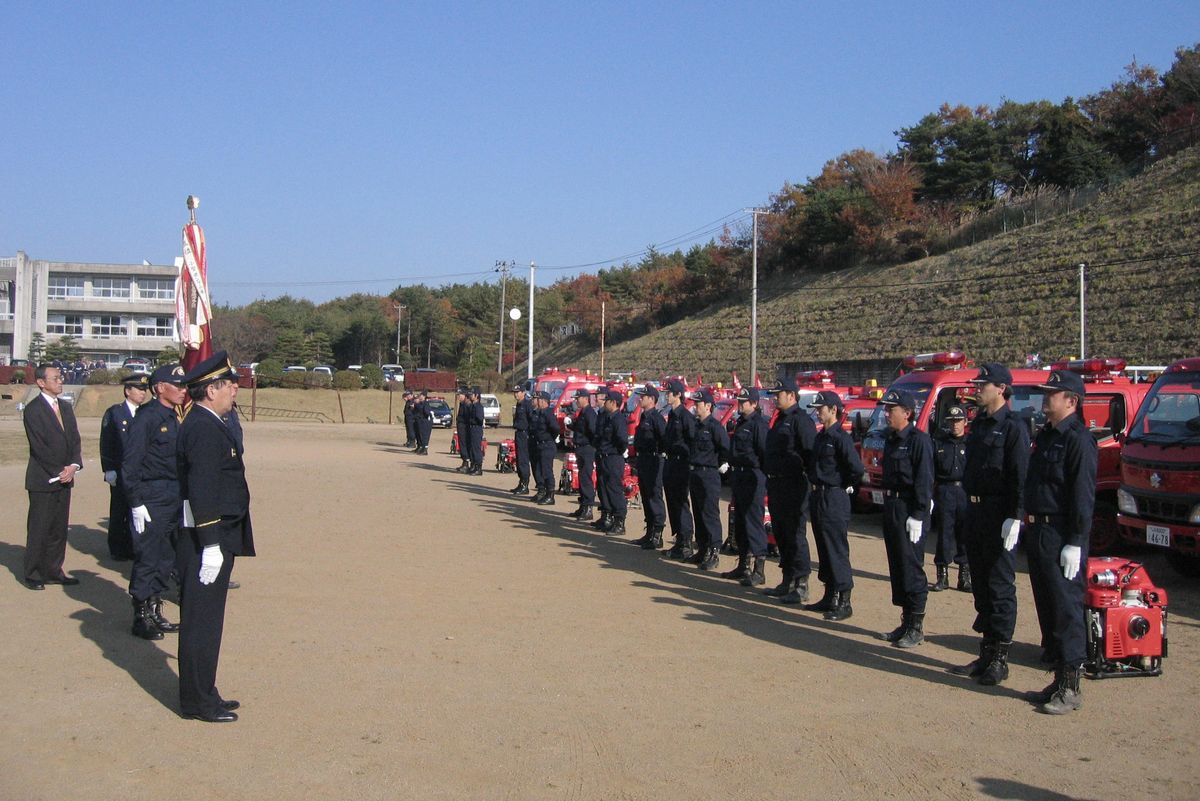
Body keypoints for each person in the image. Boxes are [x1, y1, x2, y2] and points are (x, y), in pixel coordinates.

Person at [176, 352, 255, 723]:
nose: (235, 389)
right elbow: (202, 488)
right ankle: (197, 701)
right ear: (211, 390)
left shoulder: (212, 422)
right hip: (209, 537)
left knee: (209, 620)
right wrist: (210, 545)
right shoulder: (203, 427)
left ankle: (205, 690)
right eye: (229, 384)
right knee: (201, 621)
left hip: (219, 533)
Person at [1023, 369, 1097, 714]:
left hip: (1062, 533)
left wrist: (1077, 540)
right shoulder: (1048, 435)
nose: (1044, 399)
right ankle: (1057, 677)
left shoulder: (1077, 440)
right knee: (1048, 605)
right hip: (1039, 531)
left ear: (1071, 400)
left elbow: (1082, 495)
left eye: (1051, 394)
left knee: (1067, 609)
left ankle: (1071, 686)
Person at [951, 363, 1029, 685]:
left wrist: (1016, 515)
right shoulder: (980, 423)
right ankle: (985, 652)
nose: (977, 388)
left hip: (999, 514)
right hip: (975, 513)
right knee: (981, 584)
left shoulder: (1013, 427)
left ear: (1000, 388)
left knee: (999, 585)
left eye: (983, 384)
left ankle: (1000, 658)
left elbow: (1019, 475)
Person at [122, 364, 188, 640]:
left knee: (166, 556)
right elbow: (131, 464)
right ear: (160, 388)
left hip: (172, 494)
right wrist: (136, 502)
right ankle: (141, 616)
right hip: (151, 495)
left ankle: (155, 607)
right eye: (178, 385)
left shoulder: (173, 416)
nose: (184, 390)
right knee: (148, 556)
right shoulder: (146, 418)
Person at [874, 388, 934, 648]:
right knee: (897, 566)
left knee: (911, 567)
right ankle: (905, 621)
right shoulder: (891, 439)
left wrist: (919, 514)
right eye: (886, 409)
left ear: (907, 413)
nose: (887, 414)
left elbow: (924, 480)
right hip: (893, 506)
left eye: (892, 410)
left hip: (909, 508)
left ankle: (916, 627)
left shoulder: (918, 440)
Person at [22, 363, 83, 590]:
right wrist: (60, 470)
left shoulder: (66, 408)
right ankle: (33, 572)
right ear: (41, 382)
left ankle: (53, 570)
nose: (60, 381)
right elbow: (39, 447)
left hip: (66, 477)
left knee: (59, 527)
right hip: (43, 479)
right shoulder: (33, 410)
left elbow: (75, 440)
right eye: (55, 378)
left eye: (60, 377)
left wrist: (74, 465)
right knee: (40, 527)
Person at [805, 390, 865, 620]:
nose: (818, 413)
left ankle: (844, 600)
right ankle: (829, 595)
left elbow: (856, 469)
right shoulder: (822, 437)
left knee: (836, 548)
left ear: (834, 410)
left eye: (821, 409)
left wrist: (844, 484)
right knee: (823, 546)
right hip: (819, 496)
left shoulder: (841, 437)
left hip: (834, 496)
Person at [763, 380, 817, 603]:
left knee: (795, 534)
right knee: (781, 532)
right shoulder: (780, 420)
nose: (775, 398)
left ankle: (801, 582)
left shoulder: (800, 421)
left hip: (794, 485)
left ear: (792, 395)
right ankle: (787, 579)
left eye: (779, 394)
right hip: (777, 484)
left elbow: (809, 453)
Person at [100, 373, 150, 560]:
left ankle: (134, 545)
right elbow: (107, 441)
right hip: (120, 469)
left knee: (137, 508)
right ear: (128, 391)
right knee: (119, 508)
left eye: (144, 390)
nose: (142, 393)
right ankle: (117, 547)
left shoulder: (145, 412)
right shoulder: (115, 413)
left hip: (141, 471)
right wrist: (108, 468)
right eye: (139, 389)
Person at [723, 387, 768, 585]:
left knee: (753, 522)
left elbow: (763, 453)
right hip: (739, 477)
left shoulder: (759, 425)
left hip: (752, 476)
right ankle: (743, 565)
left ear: (754, 404)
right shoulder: (741, 423)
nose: (740, 404)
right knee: (739, 522)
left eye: (744, 401)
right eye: (739, 401)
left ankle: (759, 569)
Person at [687, 388, 731, 570]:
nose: (695, 407)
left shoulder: (715, 427)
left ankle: (714, 551)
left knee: (709, 513)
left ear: (708, 406)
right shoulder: (697, 426)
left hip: (709, 474)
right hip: (696, 472)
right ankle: (703, 548)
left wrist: (722, 464)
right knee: (698, 512)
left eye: (698, 404)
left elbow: (725, 448)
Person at [930, 405, 971, 592]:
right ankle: (942, 576)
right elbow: (932, 471)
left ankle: (964, 577)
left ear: (965, 422)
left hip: (964, 491)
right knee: (944, 535)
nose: (955, 425)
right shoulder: (939, 444)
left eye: (958, 421)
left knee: (965, 535)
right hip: (945, 491)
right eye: (952, 421)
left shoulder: (970, 444)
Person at [661, 379, 696, 559]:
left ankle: (686, 541)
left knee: (681, 502)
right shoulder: (672, 415)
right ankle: (679, 540)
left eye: (669, 393)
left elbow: (692, 441)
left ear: (678, 395)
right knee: (673, 502)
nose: (666, 395)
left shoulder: (685, 416)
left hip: (681, 464)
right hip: (671, 463)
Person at [632, 384, 667, 549]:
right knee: (645, 495)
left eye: (643, 397)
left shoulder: (656, 418)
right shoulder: (645, 417)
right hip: (644, 460)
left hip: (654, 461)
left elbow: (664, 440)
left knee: (654, 495)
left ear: (652, 399)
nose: (640, 399)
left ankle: (657, 534)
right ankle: (650, 531)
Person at [594, 389, 629, 534]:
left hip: (613, 458)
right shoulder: (607, 417)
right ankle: (608, 516)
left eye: (607, 400)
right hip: (604, 457)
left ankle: (619, 521)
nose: (604, 402)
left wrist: (616, 452)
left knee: (615, 490)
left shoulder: (618, 419)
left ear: (614, 403)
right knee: (604, 487)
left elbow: (622, 440)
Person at [565, 388, 598, 520]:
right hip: (580, 448)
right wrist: (571, 424)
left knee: (586, 478)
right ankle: (583, 505)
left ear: (585, 398)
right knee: (582, 478)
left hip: (586, 449)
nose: (576, 401)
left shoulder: (589, 413)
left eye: (578, 398)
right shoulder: (583, 412)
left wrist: (589, 444)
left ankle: (588, 508)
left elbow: (592, 431)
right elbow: (580, 428)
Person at [529, 391, 560, 504]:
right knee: (539, 470)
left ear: (544, 401)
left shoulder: (548, 413)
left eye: (540, 400)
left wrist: (549, 438)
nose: (538, 402)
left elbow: (555, 428)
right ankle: (543, 491)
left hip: (547, 445)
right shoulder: (540, 413)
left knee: (547, 471)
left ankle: (550, 495)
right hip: (540, 445)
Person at [510, 385, 532, 495]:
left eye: (518, 392)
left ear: (523, 392)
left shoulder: (527, 404)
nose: (515, 394)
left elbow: (531, 420)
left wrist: (529, 434)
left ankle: (525, 484)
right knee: (519, 459)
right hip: (518, 433)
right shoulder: (519, 404)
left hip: (524, 434)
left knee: (523, 460)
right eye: (514, 392)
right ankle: (521, 482)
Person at [465, 387, 485, 476]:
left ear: (477, 396)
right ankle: (473, 465)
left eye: (472, 394)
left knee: (476, 448)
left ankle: (478, 468)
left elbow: (480, 419)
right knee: (472, 448)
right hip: (472, 428)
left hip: (477, 428)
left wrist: (473, 420)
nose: (470, 396)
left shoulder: (478, 406)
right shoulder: (472, 406)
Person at [453, 387, 471, 471]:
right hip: (461, 428)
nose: (459, 396)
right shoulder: (462, 404)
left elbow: (467, 418)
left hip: (464, 428)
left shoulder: (467, 405)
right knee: (461, 445)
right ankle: (464, 462)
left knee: (464, 445)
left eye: (460, 395)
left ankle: (466, 463)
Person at [413, 391, 432, 455]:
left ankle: (425, 450)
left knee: (425, 435)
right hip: (421, 421)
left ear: (424, 396)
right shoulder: (420, 403)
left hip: (425, 422)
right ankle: (422, 448)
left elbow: (427, 412)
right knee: (421, 435)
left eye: (421, 395)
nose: (419, 397)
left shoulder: (426, 403)